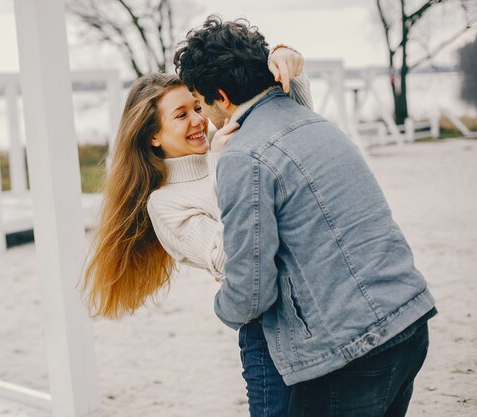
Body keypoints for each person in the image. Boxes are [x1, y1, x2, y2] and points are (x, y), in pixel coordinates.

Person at [173, 16, 437, 417]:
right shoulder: (318, 123)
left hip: (351, 352)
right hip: (410, 319)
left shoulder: (244, 155)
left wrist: (221, 307)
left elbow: (250, 292)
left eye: (201, 101)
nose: (204, 115)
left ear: (222, 96)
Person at [83, 47, 312, 416]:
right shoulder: (165, 204)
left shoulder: (223, 143)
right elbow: (232, 253)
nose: (198, 120)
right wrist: (226, 166)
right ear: (153, 137)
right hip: (267, 332)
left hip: (312, 309)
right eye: (180, 115)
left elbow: (295, 128)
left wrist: (289, 68)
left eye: (196, 107)